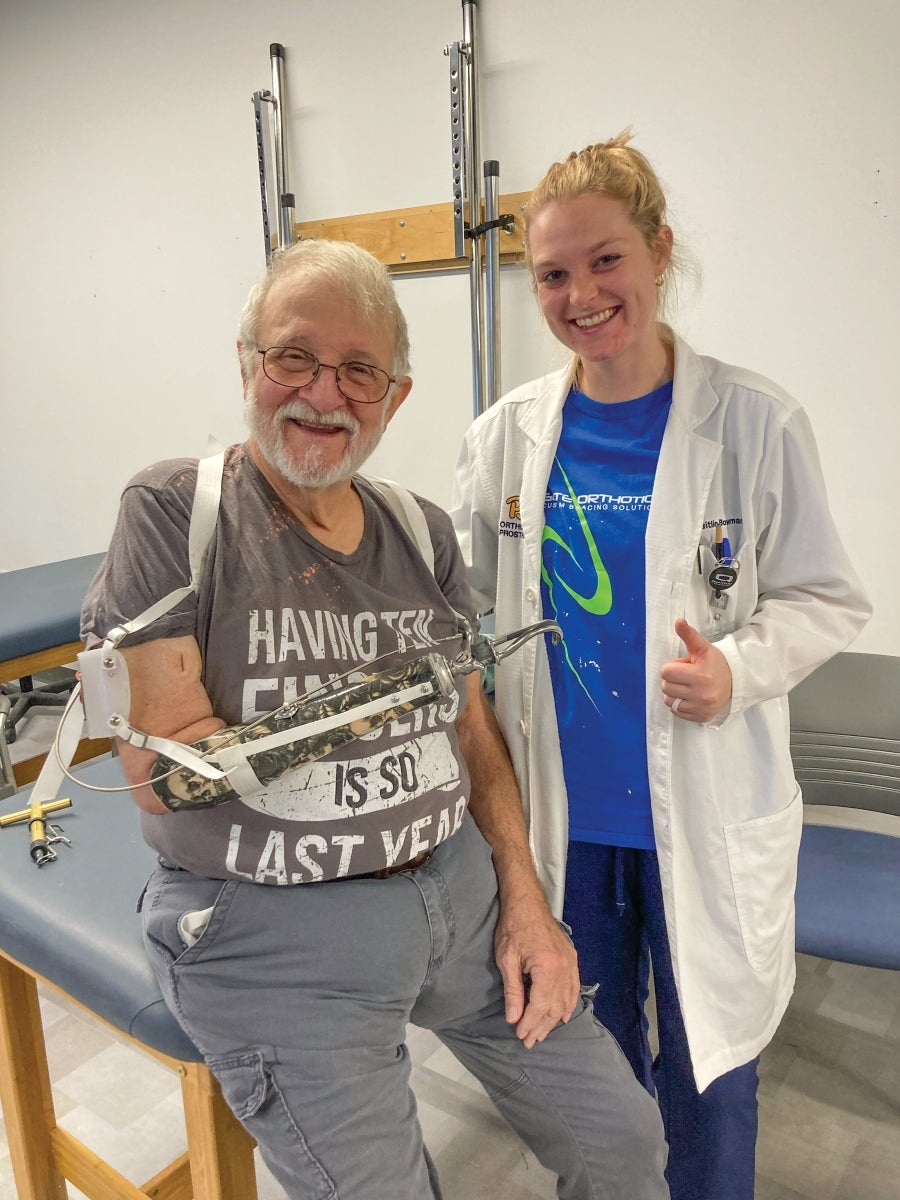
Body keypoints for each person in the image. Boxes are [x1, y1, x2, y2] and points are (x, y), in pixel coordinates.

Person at [80, 238, 669, 1200]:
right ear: (246, 364)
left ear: (394, 398)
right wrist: (361, 708)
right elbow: (166, 768)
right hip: (278, 930)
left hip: (459, 895)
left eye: (360, 371)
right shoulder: (175, 510)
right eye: (293, 358)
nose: (324, 393)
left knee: (623, 1139)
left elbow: (474, 736)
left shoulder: (421, 530)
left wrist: (525, 900)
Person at [449, 133, 872, 1200]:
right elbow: (466, 621)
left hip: (705, 816)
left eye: (605, 260)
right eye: (553, 274)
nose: (582, 294)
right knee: (590, 1082)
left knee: (711, 1078)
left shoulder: (752, 421)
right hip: (566, 825)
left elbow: (827, 598)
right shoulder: (505, 439)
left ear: (657, 252)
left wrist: (738, 667)